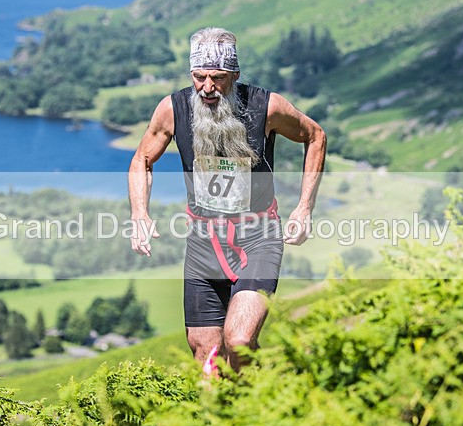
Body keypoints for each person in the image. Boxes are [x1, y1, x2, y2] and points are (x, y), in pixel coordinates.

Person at [128, 27, 326, 370]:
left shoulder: (267, 106)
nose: (207, 87)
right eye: (199, 77)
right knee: (206, 355)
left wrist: (304, 208)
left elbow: (315, 136)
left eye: (217, 78)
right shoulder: (172, 109)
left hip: (258, 239)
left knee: (239, 341)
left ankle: (269, 402)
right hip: (203, 244)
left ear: (234, 74)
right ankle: (222, 420)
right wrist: (139, 214)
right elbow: (142, 159)